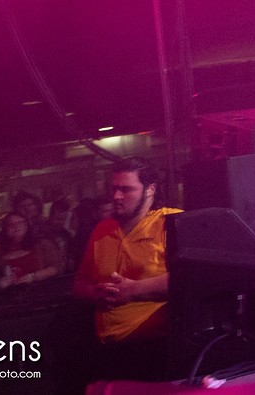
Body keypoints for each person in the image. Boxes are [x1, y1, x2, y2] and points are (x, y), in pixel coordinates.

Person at [72, 159, 182, 382]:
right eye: (114, 189)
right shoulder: (102, 229)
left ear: (150, 189)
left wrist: (133, 290)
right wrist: (95, 292)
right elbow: (79, 283)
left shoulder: (171, 221)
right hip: (109, 351)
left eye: (126, 189)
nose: (116, 196)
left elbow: (191, 277)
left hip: (157, 348)